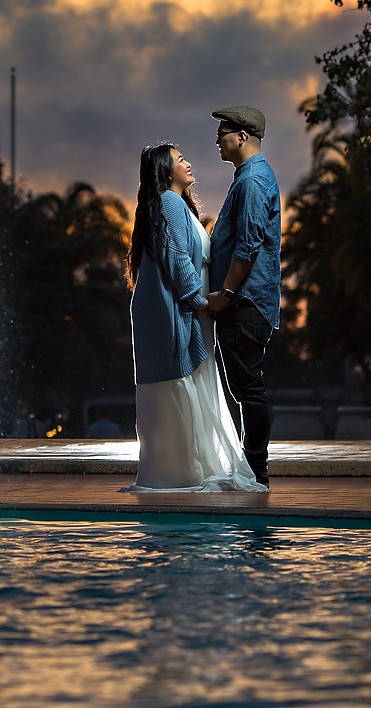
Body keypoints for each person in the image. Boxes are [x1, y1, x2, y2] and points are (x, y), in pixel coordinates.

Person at [122, 142, 266, 492]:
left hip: (188, 313)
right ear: (165, 171)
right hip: (184, 312)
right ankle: (178, 473)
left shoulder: (176, 205)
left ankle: (184, 469)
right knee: (180, 388)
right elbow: (178, 261)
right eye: (180, 160)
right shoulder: (169, 203)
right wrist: (203, 301)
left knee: (186, 390)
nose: (188, 163)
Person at [205, 106, 281, 488]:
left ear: (243, 136)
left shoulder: (252, 181)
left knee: (248, 388)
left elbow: (248, 245)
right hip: (247, 302)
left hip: (245, 302)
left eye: (223, 132)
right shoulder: (248, 177)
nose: (217, 139)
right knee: (245, 386)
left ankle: (256, 471)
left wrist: (226, 294)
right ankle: (253, 469)